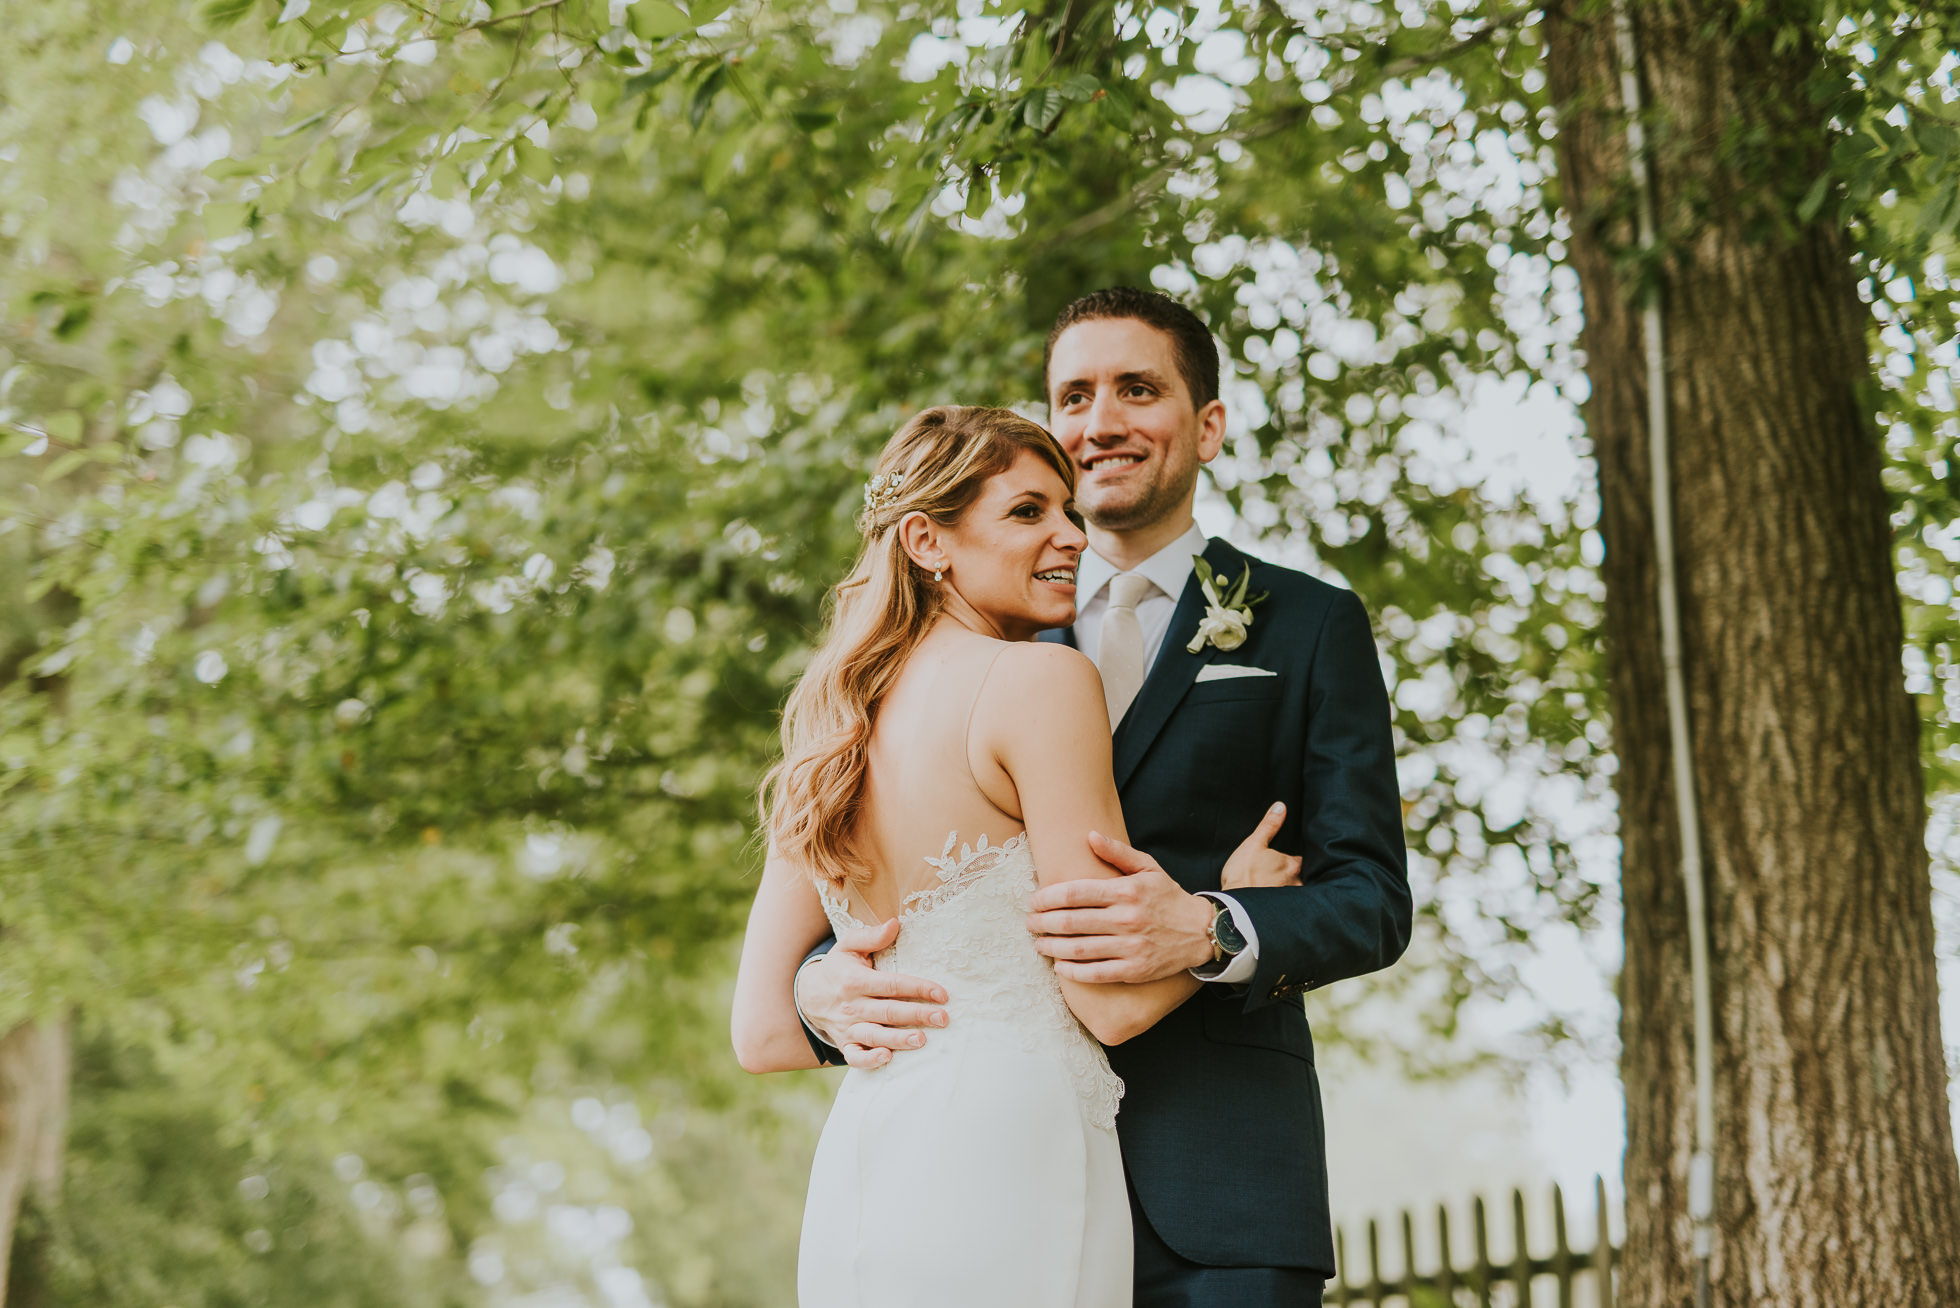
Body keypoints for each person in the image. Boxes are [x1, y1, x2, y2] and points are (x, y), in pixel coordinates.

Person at [791, 287, 1412, 1306]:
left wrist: (1216, 926)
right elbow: (873, 879)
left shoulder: (1307, 625)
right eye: (1072, 394)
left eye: (1136, 388)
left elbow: (1371, 897)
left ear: (1207, 424)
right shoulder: (977, 642)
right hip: (991, 1164)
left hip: (1220, 1188)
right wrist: (821, 989)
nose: (1100, 421)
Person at [730, 405, 1301, 1308]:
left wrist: (821, 989)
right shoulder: (1040, 682)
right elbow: (1107, 1006)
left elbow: (761, 1033)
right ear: (928, 540)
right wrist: (1230, 912)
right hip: (1010, 1151)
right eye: (1029, 513)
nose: (1072, 536)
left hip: (869, 1165)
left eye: (1067, 511)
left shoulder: (830, 725)